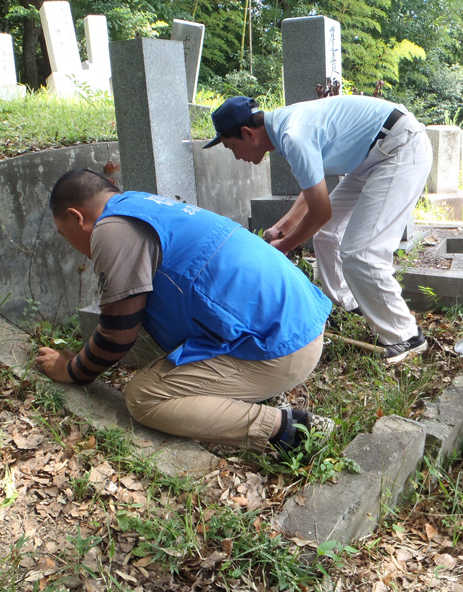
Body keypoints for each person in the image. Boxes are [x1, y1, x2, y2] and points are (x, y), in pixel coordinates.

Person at [36, 169, 334, 453]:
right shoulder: (140, 204)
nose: (71, 243)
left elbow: (117, 335)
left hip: (284, 349)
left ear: (76, 218)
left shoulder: (110, 229)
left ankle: (288, 428)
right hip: (302, 322)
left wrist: (72, 370)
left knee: (143, 397)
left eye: (64, 235)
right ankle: (257, 388)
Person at [204, 94, 433, 363]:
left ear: (247, 133)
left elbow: (321, 211)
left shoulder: (294, 135)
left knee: (362, 252)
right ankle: (350, 304)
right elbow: (314, 190)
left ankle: (406, 337)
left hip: (399, 148)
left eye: (231, 148)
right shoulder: (285, 127)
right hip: (372, 156)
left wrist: (286, 246)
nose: (236, 157)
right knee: (328, 235)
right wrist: (283, 227)